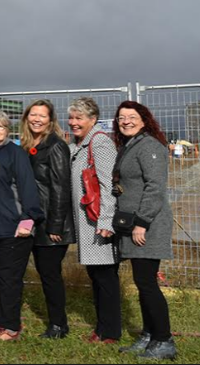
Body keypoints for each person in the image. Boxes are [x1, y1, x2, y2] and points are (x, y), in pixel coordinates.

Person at [113, 101, 177, 360]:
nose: (125, 121)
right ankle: (150, 335)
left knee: (147, 284)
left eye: (131, 116)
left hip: (147, 225)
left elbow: (155, 187)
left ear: (144, 119)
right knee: (143, 282)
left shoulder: (149, 145)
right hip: (134, 222)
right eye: (120, 118)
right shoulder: (132, 145)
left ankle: (164, 341)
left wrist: (142, 222)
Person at [0, 110, 44, 341]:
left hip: (15, 230)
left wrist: (27, 220)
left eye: (0, 126)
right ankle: (4, 324)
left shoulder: (15, 154)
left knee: (9, 279)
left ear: (7, 129)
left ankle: (10, 328)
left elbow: (28, 189)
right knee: (1, 278)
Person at [20, 100, 75, 339]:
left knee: (50, 275)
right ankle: (57, 323)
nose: (37, 119)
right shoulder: (27, 145)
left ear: (50, 120)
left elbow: (61, 187)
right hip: (34, 219)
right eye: (33, 115)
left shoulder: (55, 145)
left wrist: (55, 225)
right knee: (45, 273)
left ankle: (58, 325)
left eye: (42, 116)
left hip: (51, 223)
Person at [68, 97, 121, 344]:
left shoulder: (99, 143)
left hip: (99, 223)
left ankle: (110, 331)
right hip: (88, 223)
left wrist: (106, 221)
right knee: (97, 277)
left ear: (93, 119)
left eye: (79, 118)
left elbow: (109, 184)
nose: (73, 122)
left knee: (105, 277)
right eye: (71, 118)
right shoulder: (80, 143)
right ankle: (102, 328)